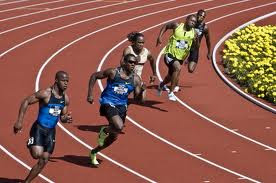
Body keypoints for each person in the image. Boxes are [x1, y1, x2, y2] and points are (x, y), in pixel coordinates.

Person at [13, 71, 73, 183]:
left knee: (44, 159)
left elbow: (63, 117)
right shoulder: (45, 94)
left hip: (51, 132)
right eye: (63, 81)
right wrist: (19, 122)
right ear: (56, 80)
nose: (66, 83)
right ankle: (31, 142)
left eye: (67, 81)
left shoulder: (65, 99)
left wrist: (65, 119)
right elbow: (26, 101)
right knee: (37, 155)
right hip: (39, 128)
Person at [87, 53, 146, 165]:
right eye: (130, 62)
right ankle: (104, 130)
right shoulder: (113, 72)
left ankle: (94, 152)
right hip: (108, 102)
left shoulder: (136, 79)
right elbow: (94, 76)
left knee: (114, 137)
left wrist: (142, 91)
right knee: (119, 126)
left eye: (135, 63)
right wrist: (90, 94)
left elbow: (138, 99)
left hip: (122, 106)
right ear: (124, 62)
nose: (133, 65)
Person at [156, 14, 198, 101]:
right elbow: (166, 26)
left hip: (180, 58)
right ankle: (171, 93)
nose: (193, 23)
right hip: (170, 54)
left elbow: (195, 47)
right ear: (186, 20)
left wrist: (196, 41)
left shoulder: (194, 33)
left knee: (170, 76)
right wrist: (159, 37)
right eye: (191, 20)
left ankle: (161, 85)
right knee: (177, 68)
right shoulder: (177, 26)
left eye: (194, 22)